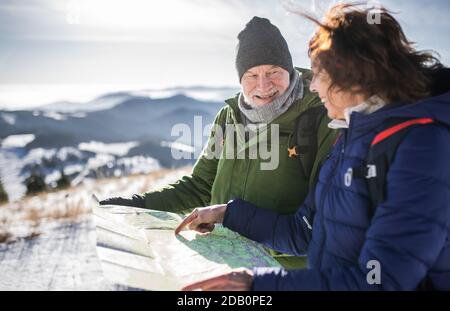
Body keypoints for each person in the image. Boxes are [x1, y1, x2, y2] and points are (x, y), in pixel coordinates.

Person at [176, 3, 450, 291]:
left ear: (352, 74)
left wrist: (258, 287)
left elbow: (381, 282)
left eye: (319, 74)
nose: (313, 86)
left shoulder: (422, 145)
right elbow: (304, 232)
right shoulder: (350, 138)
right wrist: (226, 213)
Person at [100, 17, 337, 269]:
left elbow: (318, 226)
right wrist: (139, 205)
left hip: (287, 274)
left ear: (289, 71)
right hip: (227, 264)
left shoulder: (320, 119)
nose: (263, 85)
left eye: (273, 72)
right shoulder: (229, 116)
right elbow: (200, 186)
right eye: (252, 74)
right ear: (240, 78)